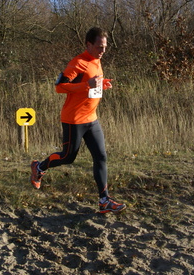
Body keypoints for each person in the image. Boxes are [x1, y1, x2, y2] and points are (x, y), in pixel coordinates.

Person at [30, 27, 126, 214]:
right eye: (99, 47)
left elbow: (91, 83)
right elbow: (60, 87)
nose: (103, 50)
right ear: (88, 44)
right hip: (74, 119)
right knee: (68, 156)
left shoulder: (97, 61)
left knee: (101, 157)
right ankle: (39, 167)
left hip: (92, 119)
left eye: (105, 47)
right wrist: (85, 85)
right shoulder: (78, 63)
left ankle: (104, 201)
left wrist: (101, 84)